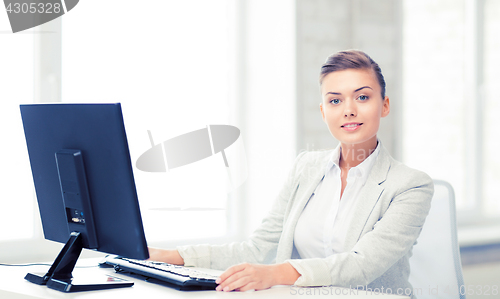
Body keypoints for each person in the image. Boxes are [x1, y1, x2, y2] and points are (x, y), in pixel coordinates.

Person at [148, 50, 434, 297]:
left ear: (384, 105)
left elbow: (360, 265)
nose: (348, 110)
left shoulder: (410, 185)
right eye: (335, 101)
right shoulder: (306, 168)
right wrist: (172, 256)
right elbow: (258, 249)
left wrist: (275, 274)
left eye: (362, 97)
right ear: (323, 112)